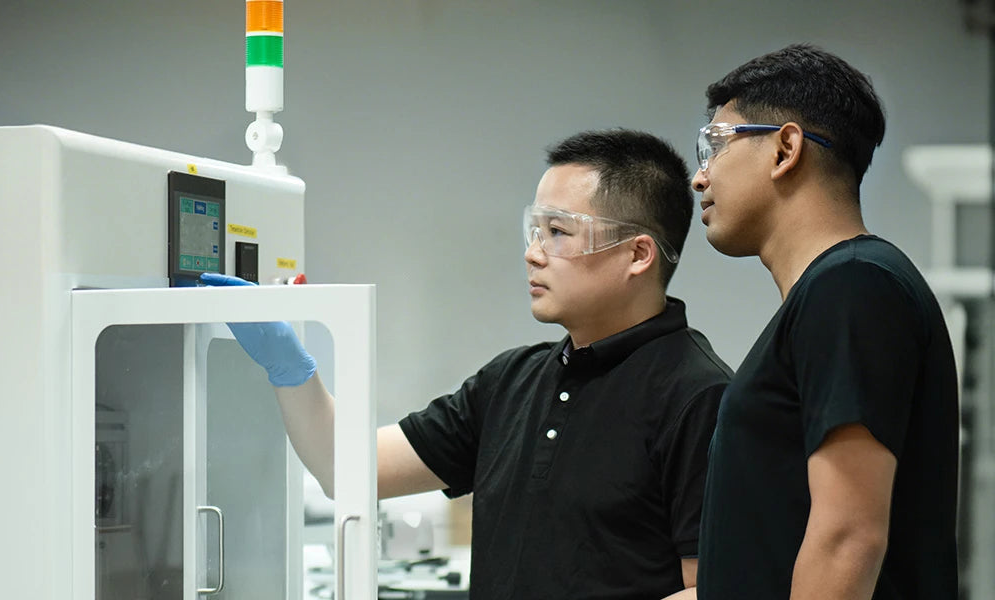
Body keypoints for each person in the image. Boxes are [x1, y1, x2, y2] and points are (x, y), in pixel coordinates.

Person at [203, 128, 732, 600]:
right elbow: (346, 468)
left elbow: (712, 589)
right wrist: (291, 372)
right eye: (534, 229)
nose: (533, 252)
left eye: (559, 232)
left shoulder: (699, 397)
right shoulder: (512, 382)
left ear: (638, 255)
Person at [690, 44, 960, 600]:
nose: (700, 176)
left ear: (786, 148)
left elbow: (848, 538)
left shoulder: (853, 286)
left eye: (714, 145)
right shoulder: (835, 292)